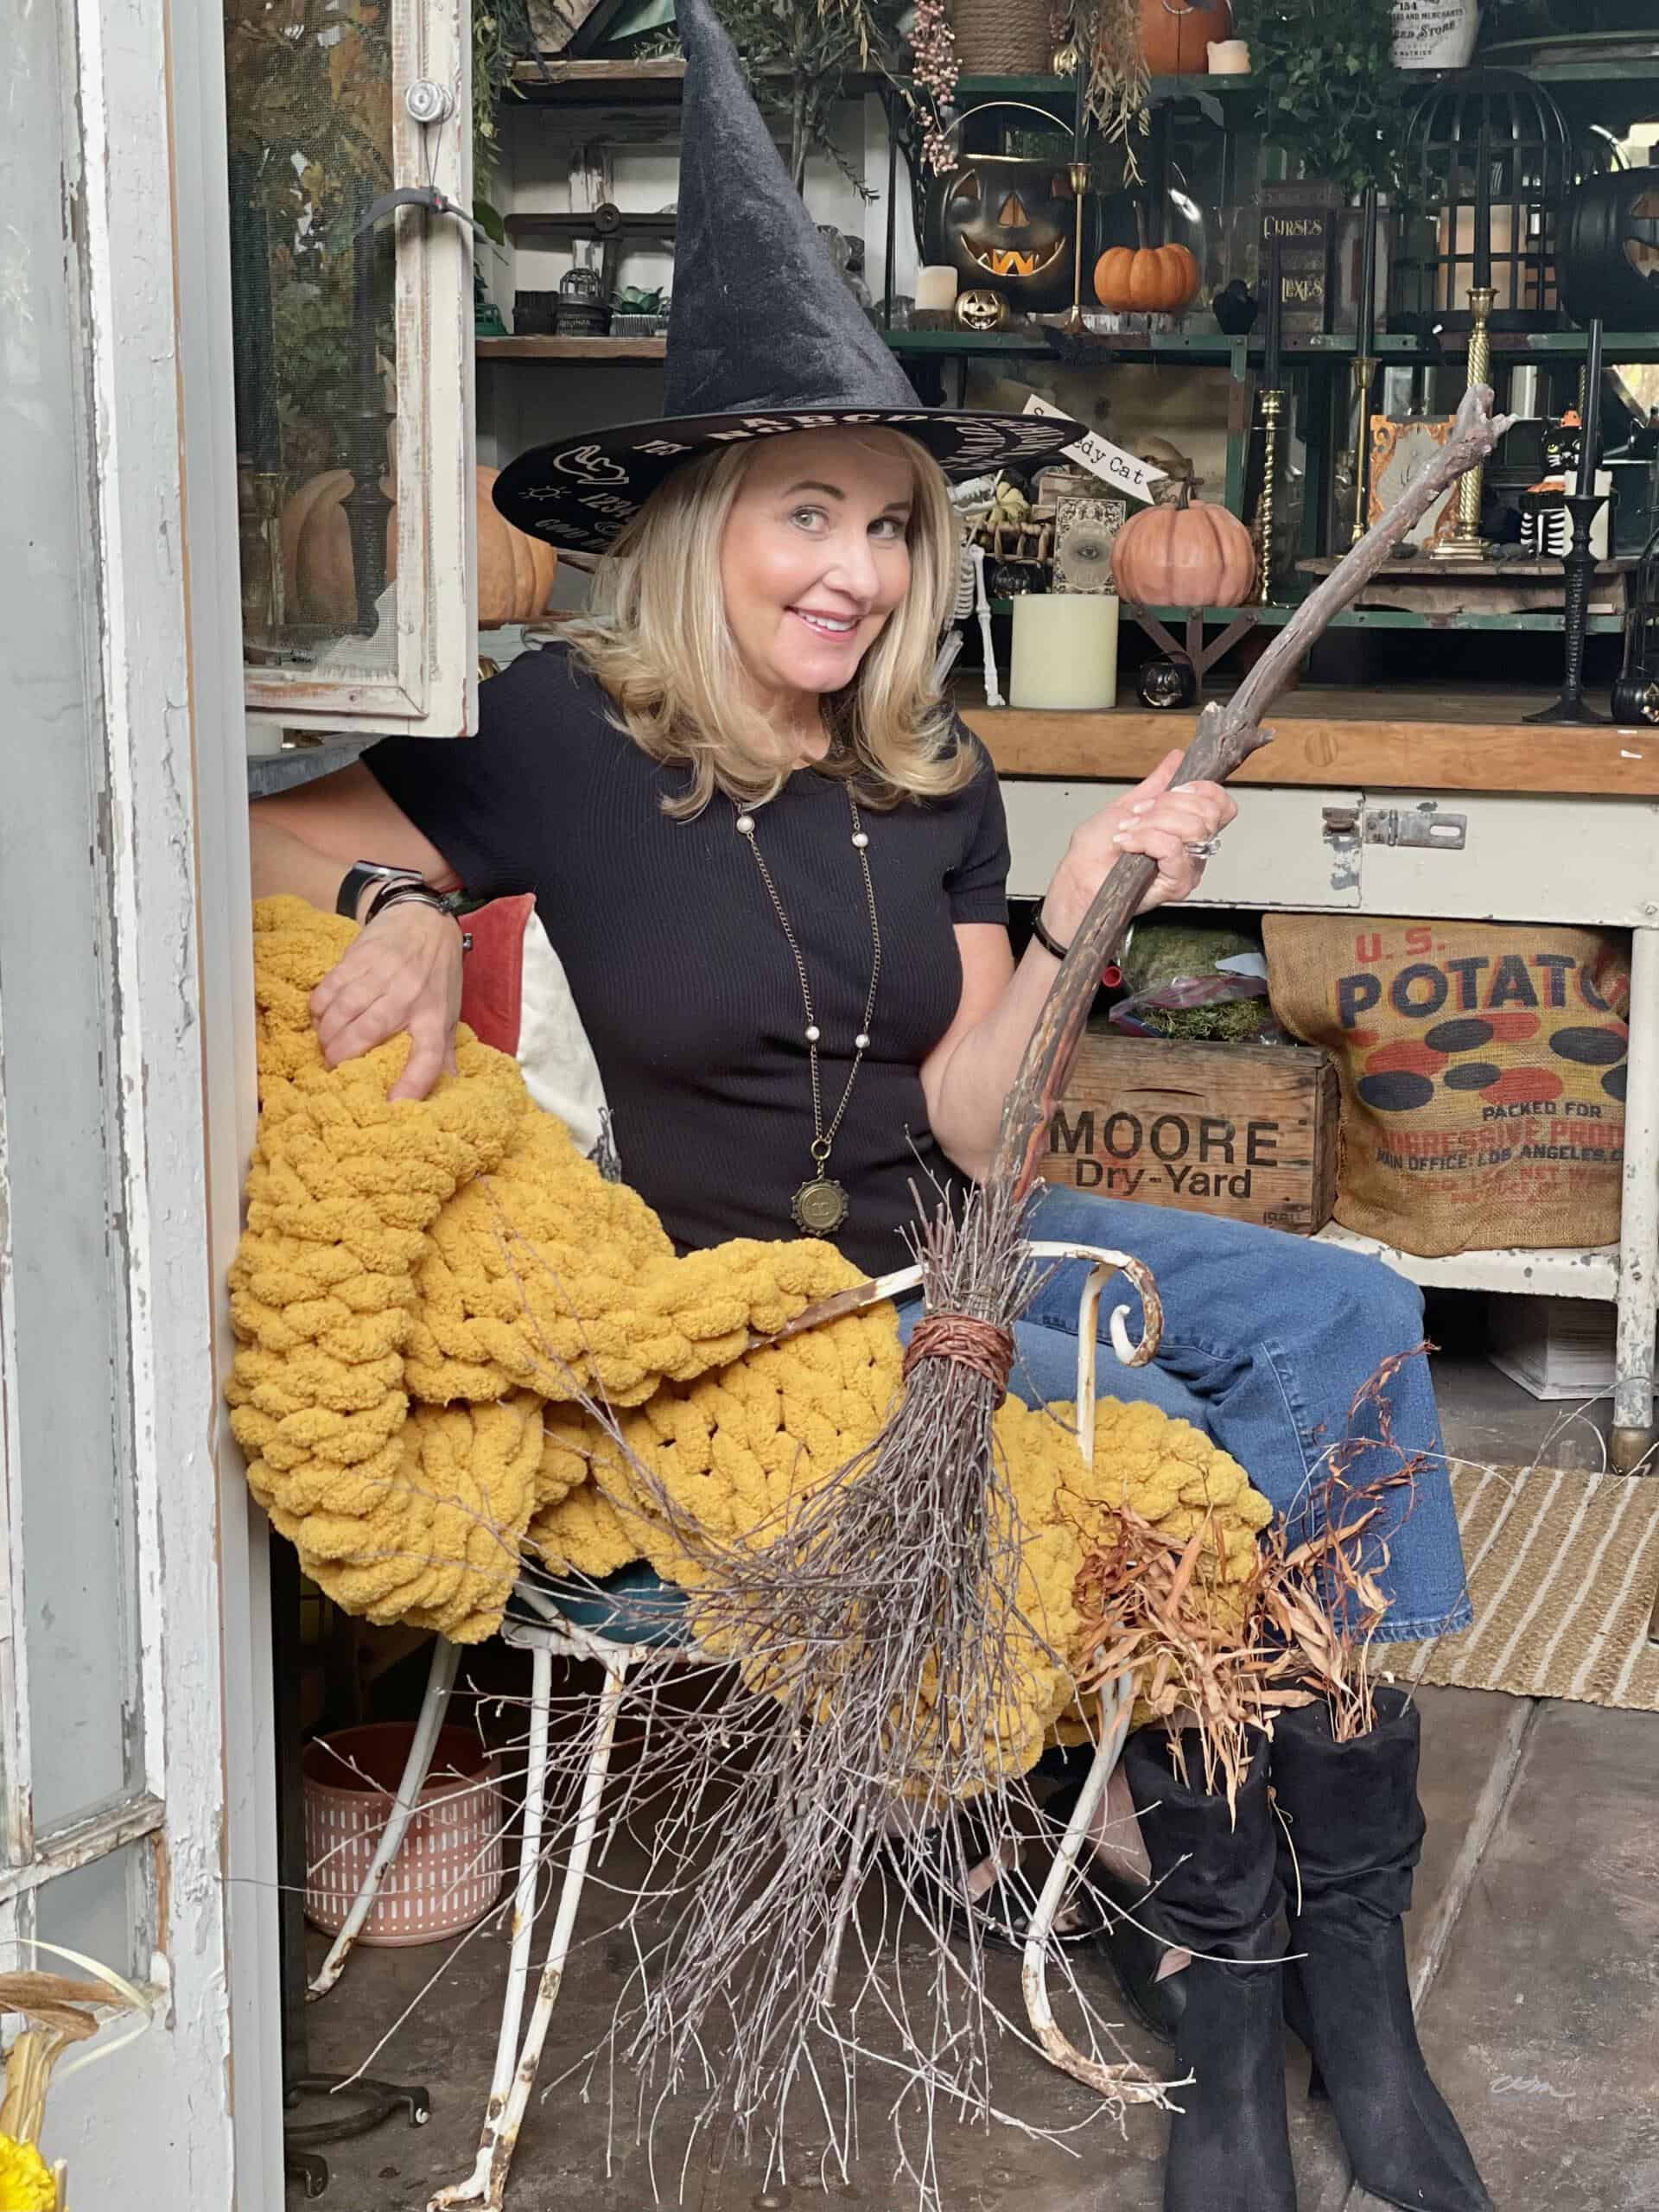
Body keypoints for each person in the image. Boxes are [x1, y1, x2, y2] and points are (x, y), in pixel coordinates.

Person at [249, 3, 1489, 2206]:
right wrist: (396, 903)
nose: (856, 568)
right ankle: (1233, 1999)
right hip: (784, 1316)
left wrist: (1094, 901)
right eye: (807, 513)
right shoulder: (560, 730)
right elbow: (265, 802)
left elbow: (982, 1110)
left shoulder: (936, 770)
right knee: (1175, 1464)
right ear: (706, 517)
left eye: (893, 526)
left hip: (970, 1240)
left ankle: (1345, 1976)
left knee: (1349, 1319)